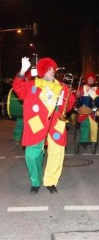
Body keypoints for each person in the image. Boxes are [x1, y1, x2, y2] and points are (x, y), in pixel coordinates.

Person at [12, 57, 75, 194]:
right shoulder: (32, 86)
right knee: (32, 155)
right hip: (37, 124)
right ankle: (35, 181)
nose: (52, 71)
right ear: (42, 72)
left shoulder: (62, 87)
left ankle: (51, 181)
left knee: (56, 153)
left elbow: (70, 103)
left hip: (56, 124)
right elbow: (17, 86)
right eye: (49, 69)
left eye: (53, 69)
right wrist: (23, 70)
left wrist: (65, 103)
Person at [76, 72, 99, 147]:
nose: (90, 80)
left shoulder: (97, 88)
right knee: (84, 125)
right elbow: (78, 96)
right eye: (89, 79)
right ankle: (84, 141)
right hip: (84, 109)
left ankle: (94, 141)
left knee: (94, 126)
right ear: (86, 80)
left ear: (94, 80)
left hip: (94, 110)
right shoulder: (83, 87)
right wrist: (78, 95)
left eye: (92, 79)